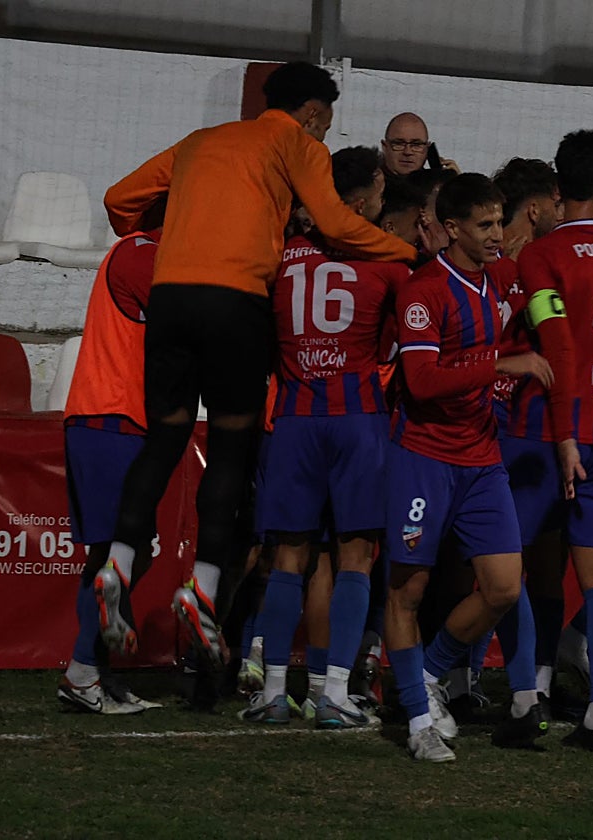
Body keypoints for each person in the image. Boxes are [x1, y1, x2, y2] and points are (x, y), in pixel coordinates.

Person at [94, 62, 417, 665]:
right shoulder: (295, 142)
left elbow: (118, 200)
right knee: (231, 446)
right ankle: (205, 587)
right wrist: (412, 255)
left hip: (170, 299)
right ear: (315, 114)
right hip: (235, 301)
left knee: (163, 440)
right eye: (326, 123)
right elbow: (336, 222)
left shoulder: (201, 141)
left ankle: (118, 561)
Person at [240, 146, 411, 728]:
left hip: (292, 419)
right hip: (358, 419)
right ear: (360, 202)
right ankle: (334, 692)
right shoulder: (389, 262)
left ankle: (272, 692)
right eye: (381, 197)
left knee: (288, 558)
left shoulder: (282, 257)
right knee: (356, 559)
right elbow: (393, 347)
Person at [385, 173, 551, 762]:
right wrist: (505, 363)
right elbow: (423, 382)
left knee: (504, 587)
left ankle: (428, 676)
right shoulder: (422, 291)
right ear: (451, 229)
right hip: (424, 458)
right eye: (484, 225)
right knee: (408, 591)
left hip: (482, 458)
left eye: (500, 221)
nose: (497, 235)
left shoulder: (503, 277)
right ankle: (415, 720)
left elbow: (545, 295)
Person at [503, 129, 593, 752]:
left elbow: (554, 341)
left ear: (557, 189)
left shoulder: (539, 256)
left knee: (504, 568)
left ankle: (524, 701)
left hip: (542, 432)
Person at [57, 210, 167, 715]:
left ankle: (89, 672)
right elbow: (180, 318)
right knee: (127, 551)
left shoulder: (144, 252)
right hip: (112, 416)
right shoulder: (142, 253)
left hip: (114, 418)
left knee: (114, 554)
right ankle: (84, 669)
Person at [381, 112, 459, 178]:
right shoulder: (371, 185)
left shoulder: (438, 188)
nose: (407, 152)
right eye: (399, 144)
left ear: (427, 149)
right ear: (384, 147)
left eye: (416, 144)